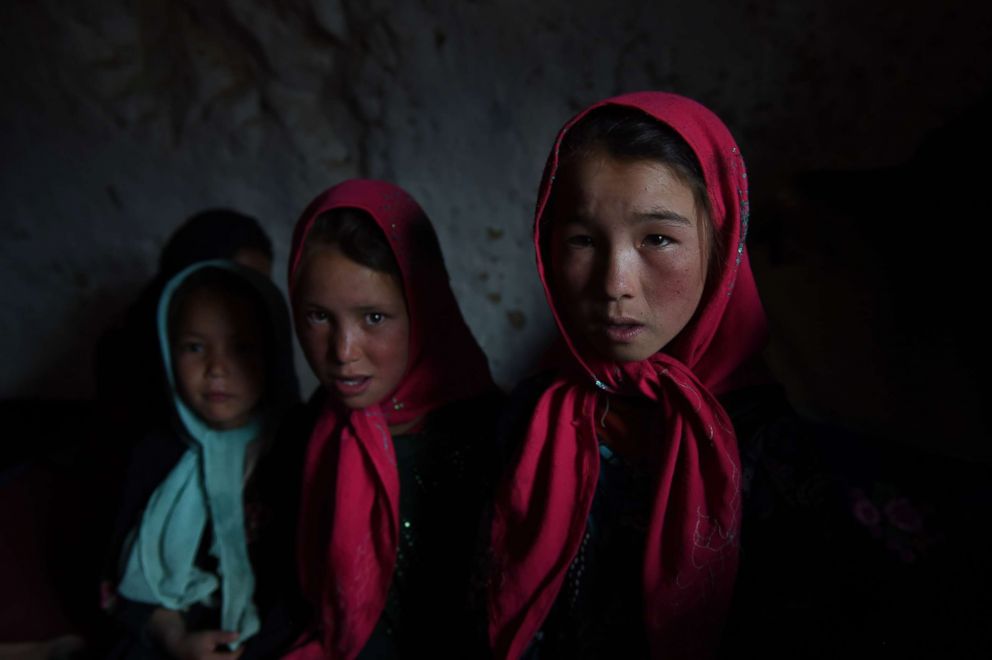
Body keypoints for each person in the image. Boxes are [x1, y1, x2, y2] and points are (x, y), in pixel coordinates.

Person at [486, 92, 771, 659]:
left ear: (721, 244)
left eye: (658, 238)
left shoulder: (777, 447)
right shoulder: (531, 414)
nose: (614, 282)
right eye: (583, 240)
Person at [284, 179, 502, 659]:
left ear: (426, 312)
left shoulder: (491, 441)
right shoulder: (310, 429)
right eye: (318, 316)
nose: (342, 353)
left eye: (374, 318)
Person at [105, 260, 300, 659]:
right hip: (170, 634)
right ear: (167, 350)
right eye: (194, 347)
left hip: (271, 640)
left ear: (274, 353)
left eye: (243, 348)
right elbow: (125, 574)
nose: (216, 369)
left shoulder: (295, 449)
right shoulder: (155, 453)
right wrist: (173, 638)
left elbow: (306, 585)